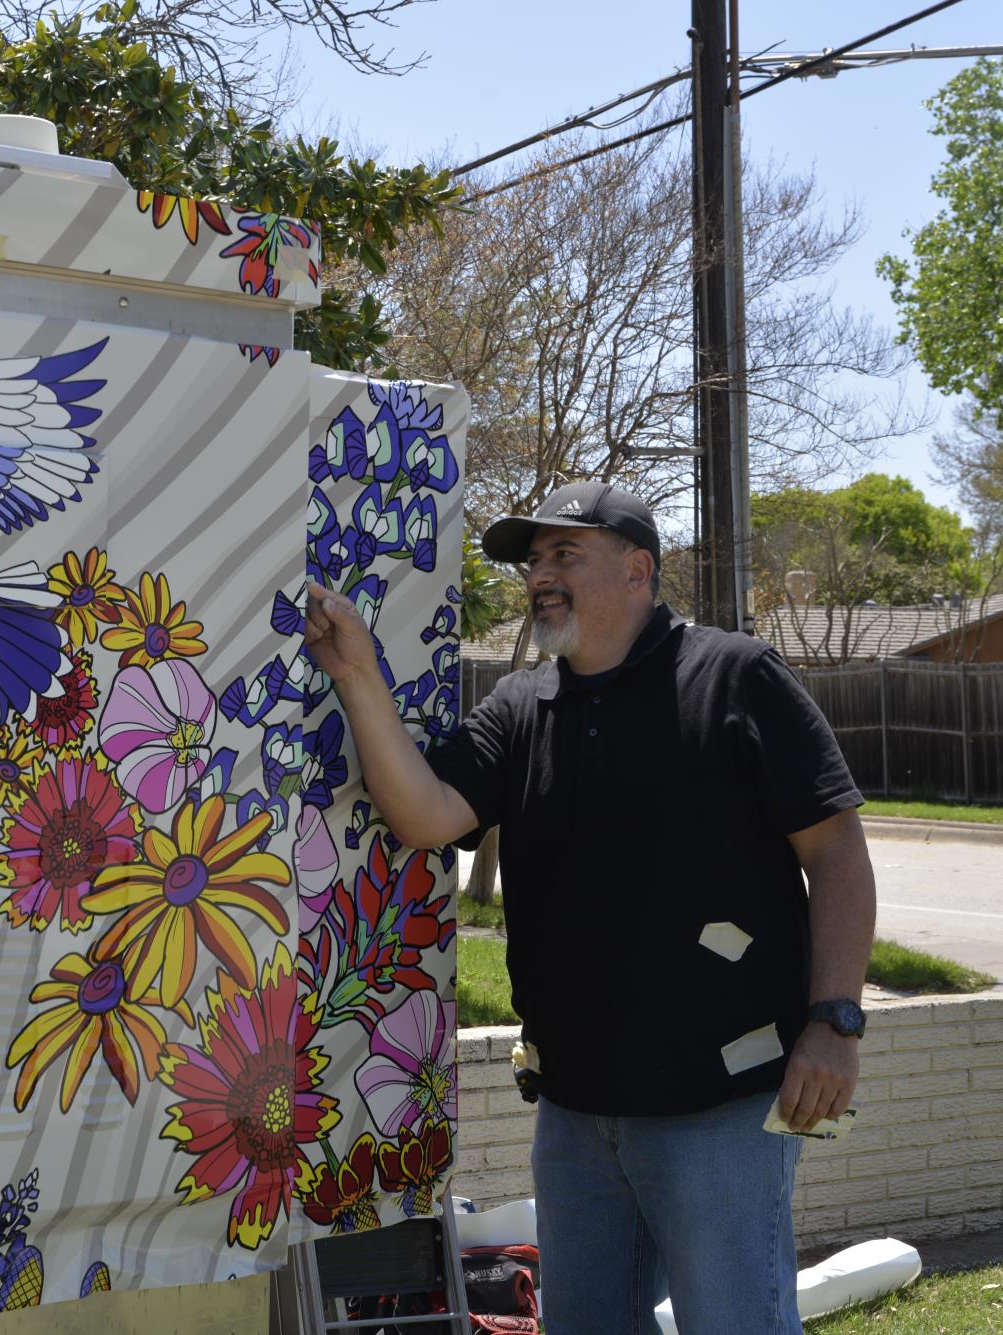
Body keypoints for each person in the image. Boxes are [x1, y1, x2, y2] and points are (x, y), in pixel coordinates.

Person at [305, 481, 876, 1335]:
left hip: (717, 1106)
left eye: (564, 553)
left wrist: (835, 1020)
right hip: (576, 1113)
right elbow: (424, 813)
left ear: (638, 568)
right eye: (533, 560)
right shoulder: (521, 707)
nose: (540, 574)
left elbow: (836, 853)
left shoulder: (734, 676)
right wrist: (355, 674)